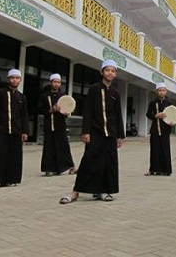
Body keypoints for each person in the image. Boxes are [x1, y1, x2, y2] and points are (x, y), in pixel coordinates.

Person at [59, 59, 125, 204]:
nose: (110, 73)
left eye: (113, 71)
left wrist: (120, 135)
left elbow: (118, 114)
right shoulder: (94, 89)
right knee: (89, 160)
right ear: (102, 72)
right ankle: (75, 192)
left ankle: (103, 191)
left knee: (109, 163)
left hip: (111, 134)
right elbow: (87, 111)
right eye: (107, 70)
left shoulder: (115, 93)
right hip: (95, 132)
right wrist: (85, 132)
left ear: (115, 74)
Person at [0, 69, 29, 190]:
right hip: (1, 129)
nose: (15, 80)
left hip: (16, 131)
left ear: (20, 80)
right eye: (12, 78)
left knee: (14, 156)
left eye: (17, 78)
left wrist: (25, 131)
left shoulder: (21, 97)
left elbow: (24, 115)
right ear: (8, 79)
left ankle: (10, 179)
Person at [38, 73, 76, 176]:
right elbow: (40, 109)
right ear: (50, 83)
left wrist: (66, 113)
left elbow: (67, 109)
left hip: (60, 126)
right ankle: (48, 169)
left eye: (58, 82)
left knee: (63, 146)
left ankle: (71, 167)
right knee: (49, 147)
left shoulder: (63, 96)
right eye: (54, 82)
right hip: (49, 125)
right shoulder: (44, 96)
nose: (56, 84)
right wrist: (51, 110)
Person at [145, 82, 173, 176]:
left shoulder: (169, 103)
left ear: (166, 91)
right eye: (160, 90)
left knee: (165, 149)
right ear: (157, 91)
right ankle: (153, 169)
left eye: (163, 90)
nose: (162, 92)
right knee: (155, 150)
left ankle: (166, 170)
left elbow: (173, 115)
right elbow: (148, 114)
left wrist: (172, 122)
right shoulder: (153, 103)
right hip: (155, 129)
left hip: (165, 129)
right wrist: (156, 115)